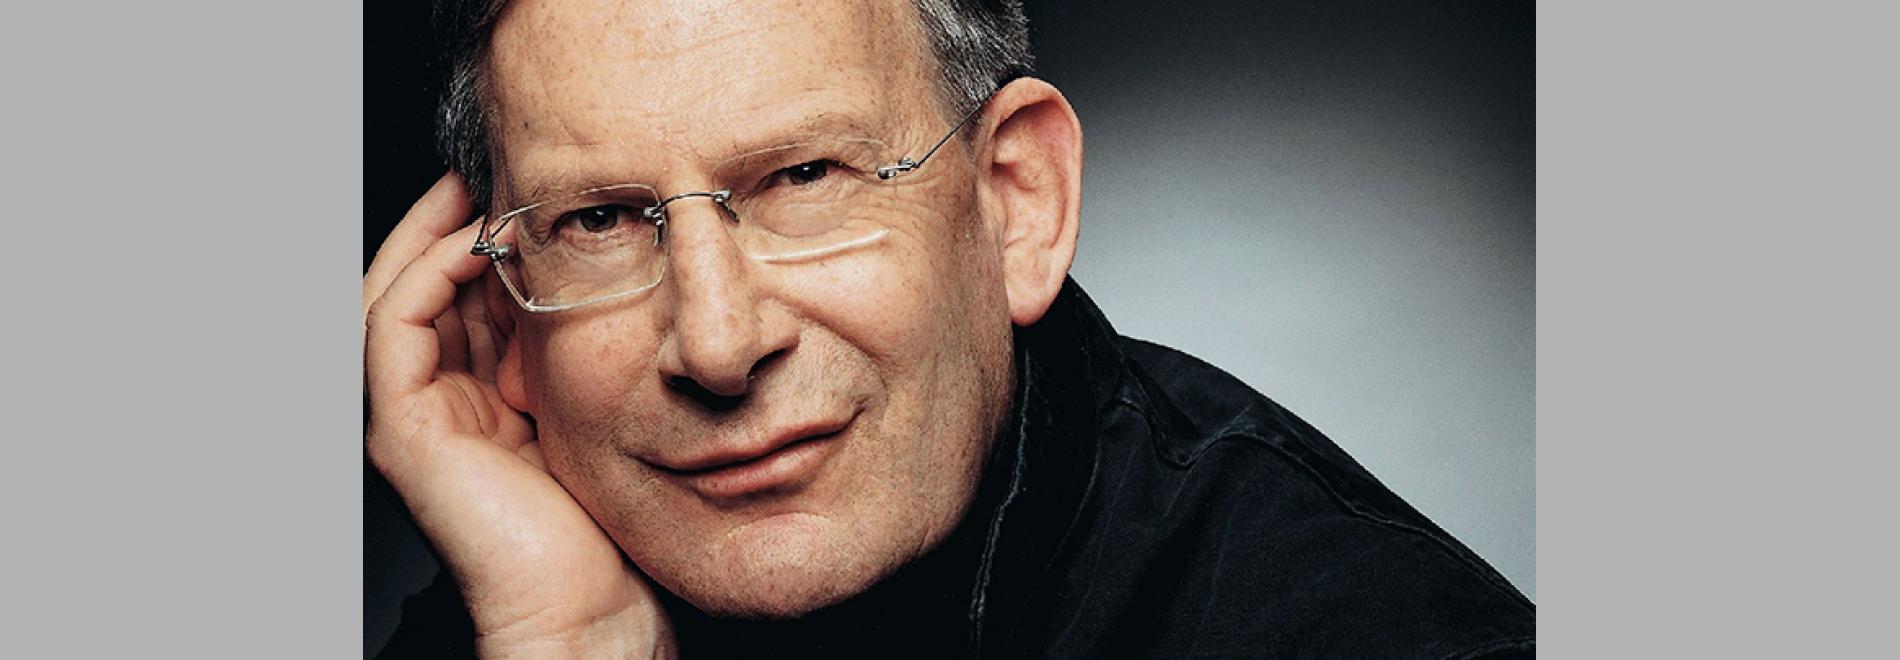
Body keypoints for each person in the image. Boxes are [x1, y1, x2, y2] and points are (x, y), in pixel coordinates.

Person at [363, 0, 1535, 656]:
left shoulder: (1356, 636)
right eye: (601, 218)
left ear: (1017, 200)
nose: (717, 344)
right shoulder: (521, 591)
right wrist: (579, 648)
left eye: (806, 176)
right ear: (500, 303)